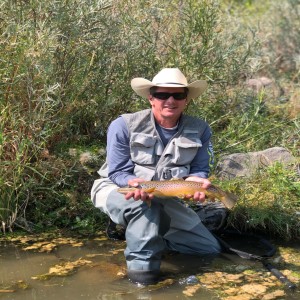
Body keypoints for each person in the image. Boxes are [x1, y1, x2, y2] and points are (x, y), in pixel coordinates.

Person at [91, 68, 226, 285]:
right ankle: (142, 279)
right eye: (163, 95)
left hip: (165, 194)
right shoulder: (123, 125)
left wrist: (198, 182)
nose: (170, 100)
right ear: (151, 98)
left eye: (178, 95)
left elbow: (199, 170)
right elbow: (117, 172)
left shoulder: (200, 129)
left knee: (207, 249)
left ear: (186, 99)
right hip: (118, 189)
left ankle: (149, 235)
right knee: (145, 207)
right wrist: (131, 183)